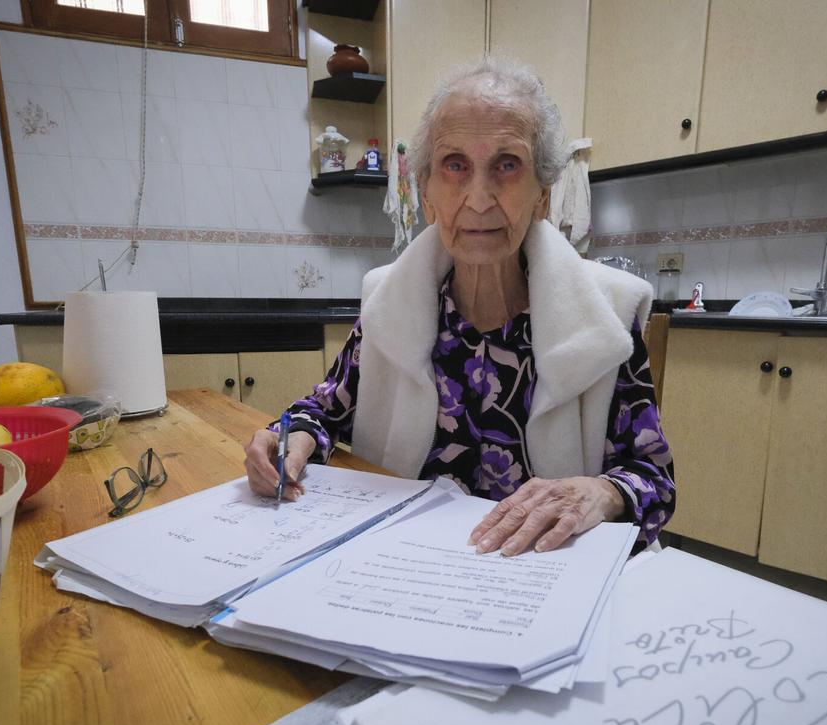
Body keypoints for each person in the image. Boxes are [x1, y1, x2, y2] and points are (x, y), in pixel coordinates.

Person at [245, 57, 674, 556]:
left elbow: (654, 482)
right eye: (455, 166)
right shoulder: (392, 304)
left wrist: (600, 492)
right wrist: (287, 438)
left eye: (507, 165)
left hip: (539, 577)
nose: (478, 198)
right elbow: (321, 412)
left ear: (542, 194)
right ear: (426, 193)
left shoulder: (607, 313)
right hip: (403, 568)